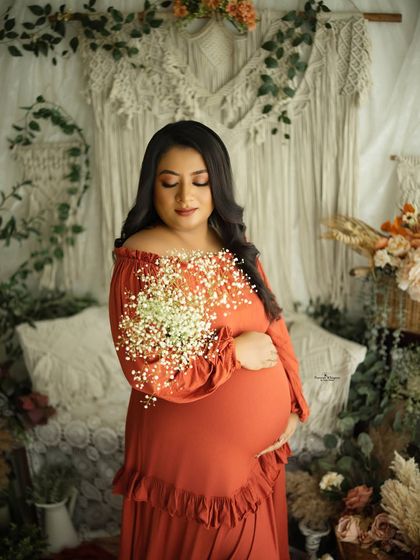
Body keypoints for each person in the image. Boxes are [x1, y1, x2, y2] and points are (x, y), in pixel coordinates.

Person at [108, 120, 310, 559]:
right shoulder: (143, 260)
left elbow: (274, 325)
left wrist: (293, 404)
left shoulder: (234, 245)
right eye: (170, 182)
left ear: (218, 183)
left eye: (200, 181)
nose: (186, 197)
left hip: (256, 457)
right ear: (151, 187)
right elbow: (146, 369)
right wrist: (234, 352)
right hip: (195, 458)